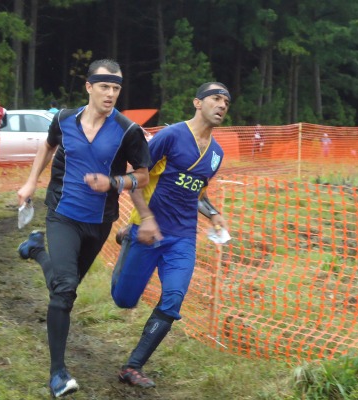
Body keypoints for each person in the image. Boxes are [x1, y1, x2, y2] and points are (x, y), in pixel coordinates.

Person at [15, 59, 151, 398]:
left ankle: (35, 250)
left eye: (116, 88)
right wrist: (31, 182)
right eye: (104, 86)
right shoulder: (63, 120)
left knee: (68, 285)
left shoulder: (128, 131)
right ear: (89, 87)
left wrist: (114, 182)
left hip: (99, 222)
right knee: (64, 290)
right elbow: (47, 145)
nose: (110, 94)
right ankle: (58, 374)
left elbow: (143, 176)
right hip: (62, 213)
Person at [111, 82, 230, 389]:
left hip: (183, 238)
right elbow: (138, 177)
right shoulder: (170, 135)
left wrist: (213, 213)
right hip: (149, 232)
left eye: (226, 102)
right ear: (197, 102)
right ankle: (127, 237)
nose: (222, 105)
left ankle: (132, 366)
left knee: (174, 298)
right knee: (124, 300)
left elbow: (198, 193)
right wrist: (143, 221)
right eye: (215, 99)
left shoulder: (216, 154)